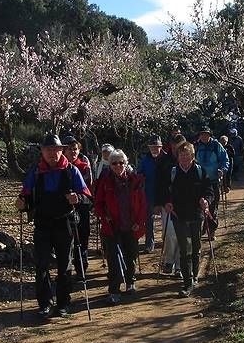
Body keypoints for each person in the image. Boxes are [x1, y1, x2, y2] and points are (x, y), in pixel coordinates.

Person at [16, 134, 92, 319]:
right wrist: (22, 203)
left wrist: (78, 198)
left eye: (55, 150)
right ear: (42, 152)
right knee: (41, 265)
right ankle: (45, 304)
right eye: (48, 150)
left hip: (65, 222)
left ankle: (64, 303)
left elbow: (88, 197)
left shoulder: (71, 171)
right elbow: (25, 195)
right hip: (42, 223)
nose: (52, 153)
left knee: (64, 265)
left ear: (61, 150)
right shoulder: (36, 171)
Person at [94, 149, 147, 305]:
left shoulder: (135, 180)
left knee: (131, 256)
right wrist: (104, 216)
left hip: (131, 225)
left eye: (121, 162)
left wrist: (140, 221)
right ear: (109, 165)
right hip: (112, 227)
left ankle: (130, 282)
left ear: (126, 163)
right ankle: (114, 291)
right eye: (114, 163)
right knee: (114, 260)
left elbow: (143, 204)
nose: (118, 166)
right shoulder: (104, 181)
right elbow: (98, 204)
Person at [164, 142, 212, 296]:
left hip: (196, 215)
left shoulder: (200, 171)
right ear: (178, 157)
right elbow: (164, 191)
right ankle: (188, 282)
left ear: (192, 156)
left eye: (187, 155)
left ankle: (195, 275)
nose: (184, 158)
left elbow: (209, 190)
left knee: (196, 247)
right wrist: (167, 202)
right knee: (185, 250)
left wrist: (206, 200)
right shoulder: (172, 172)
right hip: (179, 216)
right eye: (181, 155)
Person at [136, 135, 174, 253]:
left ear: (161, 146)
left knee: (167, 222)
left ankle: (167, 244)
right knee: (148, 220)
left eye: (156, 147)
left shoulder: (169, 159)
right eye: (152, 147)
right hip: (149, 193)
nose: (154, 149)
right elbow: (139, 174)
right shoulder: (145, 160)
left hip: (165, 194)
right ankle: (149, 244)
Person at [194, 125, 230, 240]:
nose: (204, 136)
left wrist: (222, 170)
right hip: (199, 181)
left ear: (210, 135)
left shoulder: (216, 145)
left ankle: (211, 230)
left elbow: (225, 159)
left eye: (206, 134)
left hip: (213, 180)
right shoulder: (196, 146)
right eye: (202, 134)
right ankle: (203, 228)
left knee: (213, 206)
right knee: (200, 206)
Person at [63, 135, 93, 273]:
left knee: (82, 239)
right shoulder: (58, 168)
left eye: (75, 149)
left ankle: (81, 269)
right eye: (69, 149)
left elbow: (89, 189)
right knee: (66, 241)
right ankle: (66, 271)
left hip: (82, 207)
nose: (73, 152)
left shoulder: (84, 167)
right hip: (64, 209)